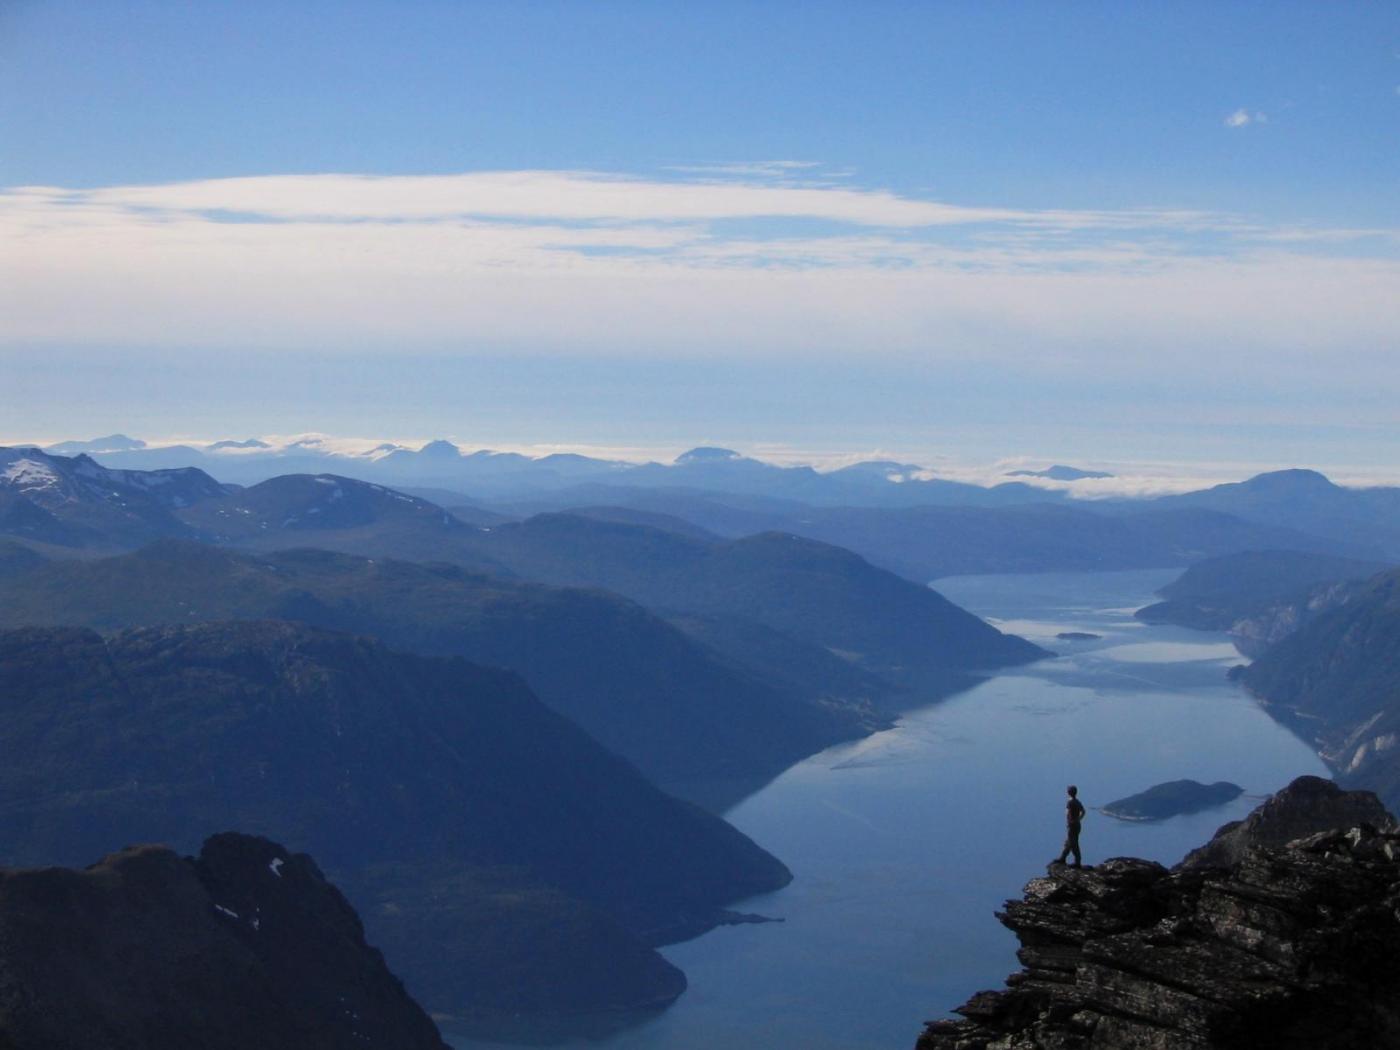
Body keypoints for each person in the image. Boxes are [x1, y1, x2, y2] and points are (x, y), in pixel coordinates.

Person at [1055, 785, 1086, 868]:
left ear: (1069, 792)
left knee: (1073, 843)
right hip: (1075, 825)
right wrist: (1078, 819)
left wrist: (1074, 820)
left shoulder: (1071, 802)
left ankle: (1077, 862)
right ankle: (1062, 858)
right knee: (1069, 843)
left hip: (1073, 826)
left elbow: (1069, 813)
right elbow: (1083, 811)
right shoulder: (1076, 801)